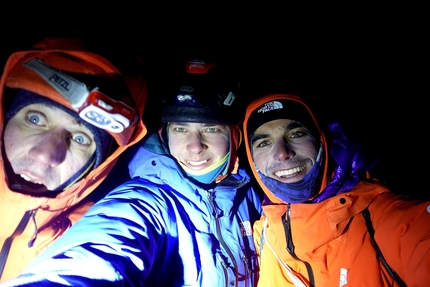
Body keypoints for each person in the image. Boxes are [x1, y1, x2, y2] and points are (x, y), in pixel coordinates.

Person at [0, 59, 263, 287]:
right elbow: (99, 250)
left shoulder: (248, 196)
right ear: (164, 136)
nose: (195, 146)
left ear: (234, 138)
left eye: (211, 129)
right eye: (180, 129)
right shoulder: (146, 200)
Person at [240, 93, 430, 286]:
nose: (282, 153)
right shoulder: (263, 236)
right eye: (264, 143)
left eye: (296, 134)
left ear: (321, 140)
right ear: (252, 158)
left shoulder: (393, 222)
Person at [0, 34, 147, 282]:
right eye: (35, 119)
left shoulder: (83, 237)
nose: (46, 155)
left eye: (80, 139)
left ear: (97, 166)